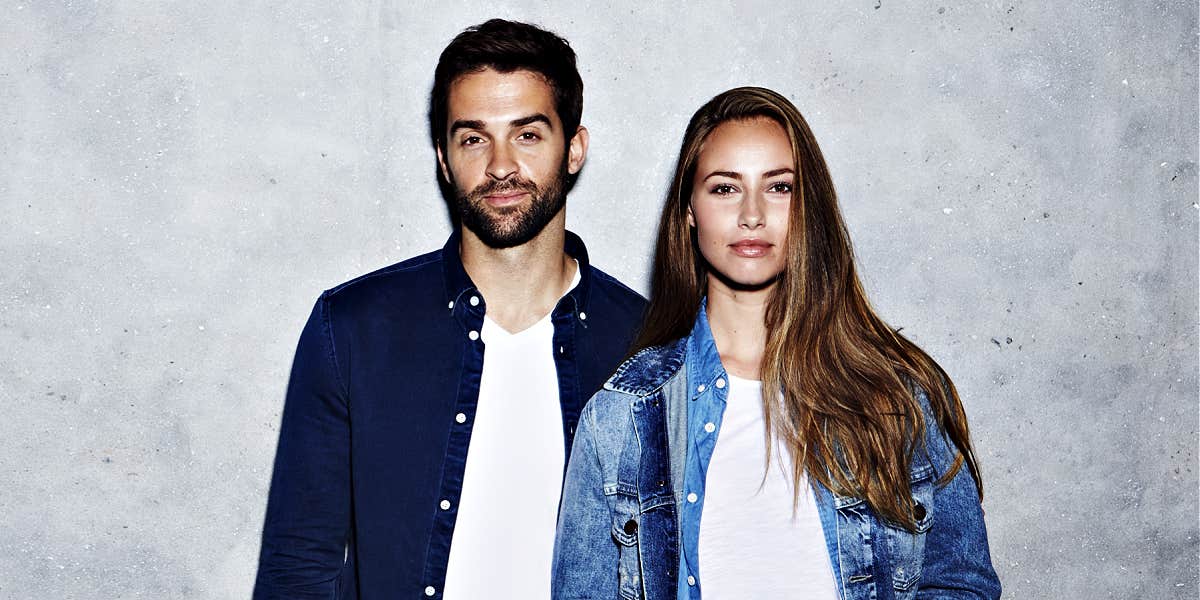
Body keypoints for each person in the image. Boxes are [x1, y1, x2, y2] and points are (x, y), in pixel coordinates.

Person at [552, 87, 1001, 600]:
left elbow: (961, 585)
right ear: (690, 209)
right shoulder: (621, 419)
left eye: (779, 187)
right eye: (724, 188)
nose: (752, 214)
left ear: (809, 206)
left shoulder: (897, 397)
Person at [254, 19, 645, 600]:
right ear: (443, 157)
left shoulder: (644, 345)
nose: (501, 165)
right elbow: (297, 568)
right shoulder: (355, 330)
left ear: (575, 149)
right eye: (473, 138)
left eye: (528, 135)